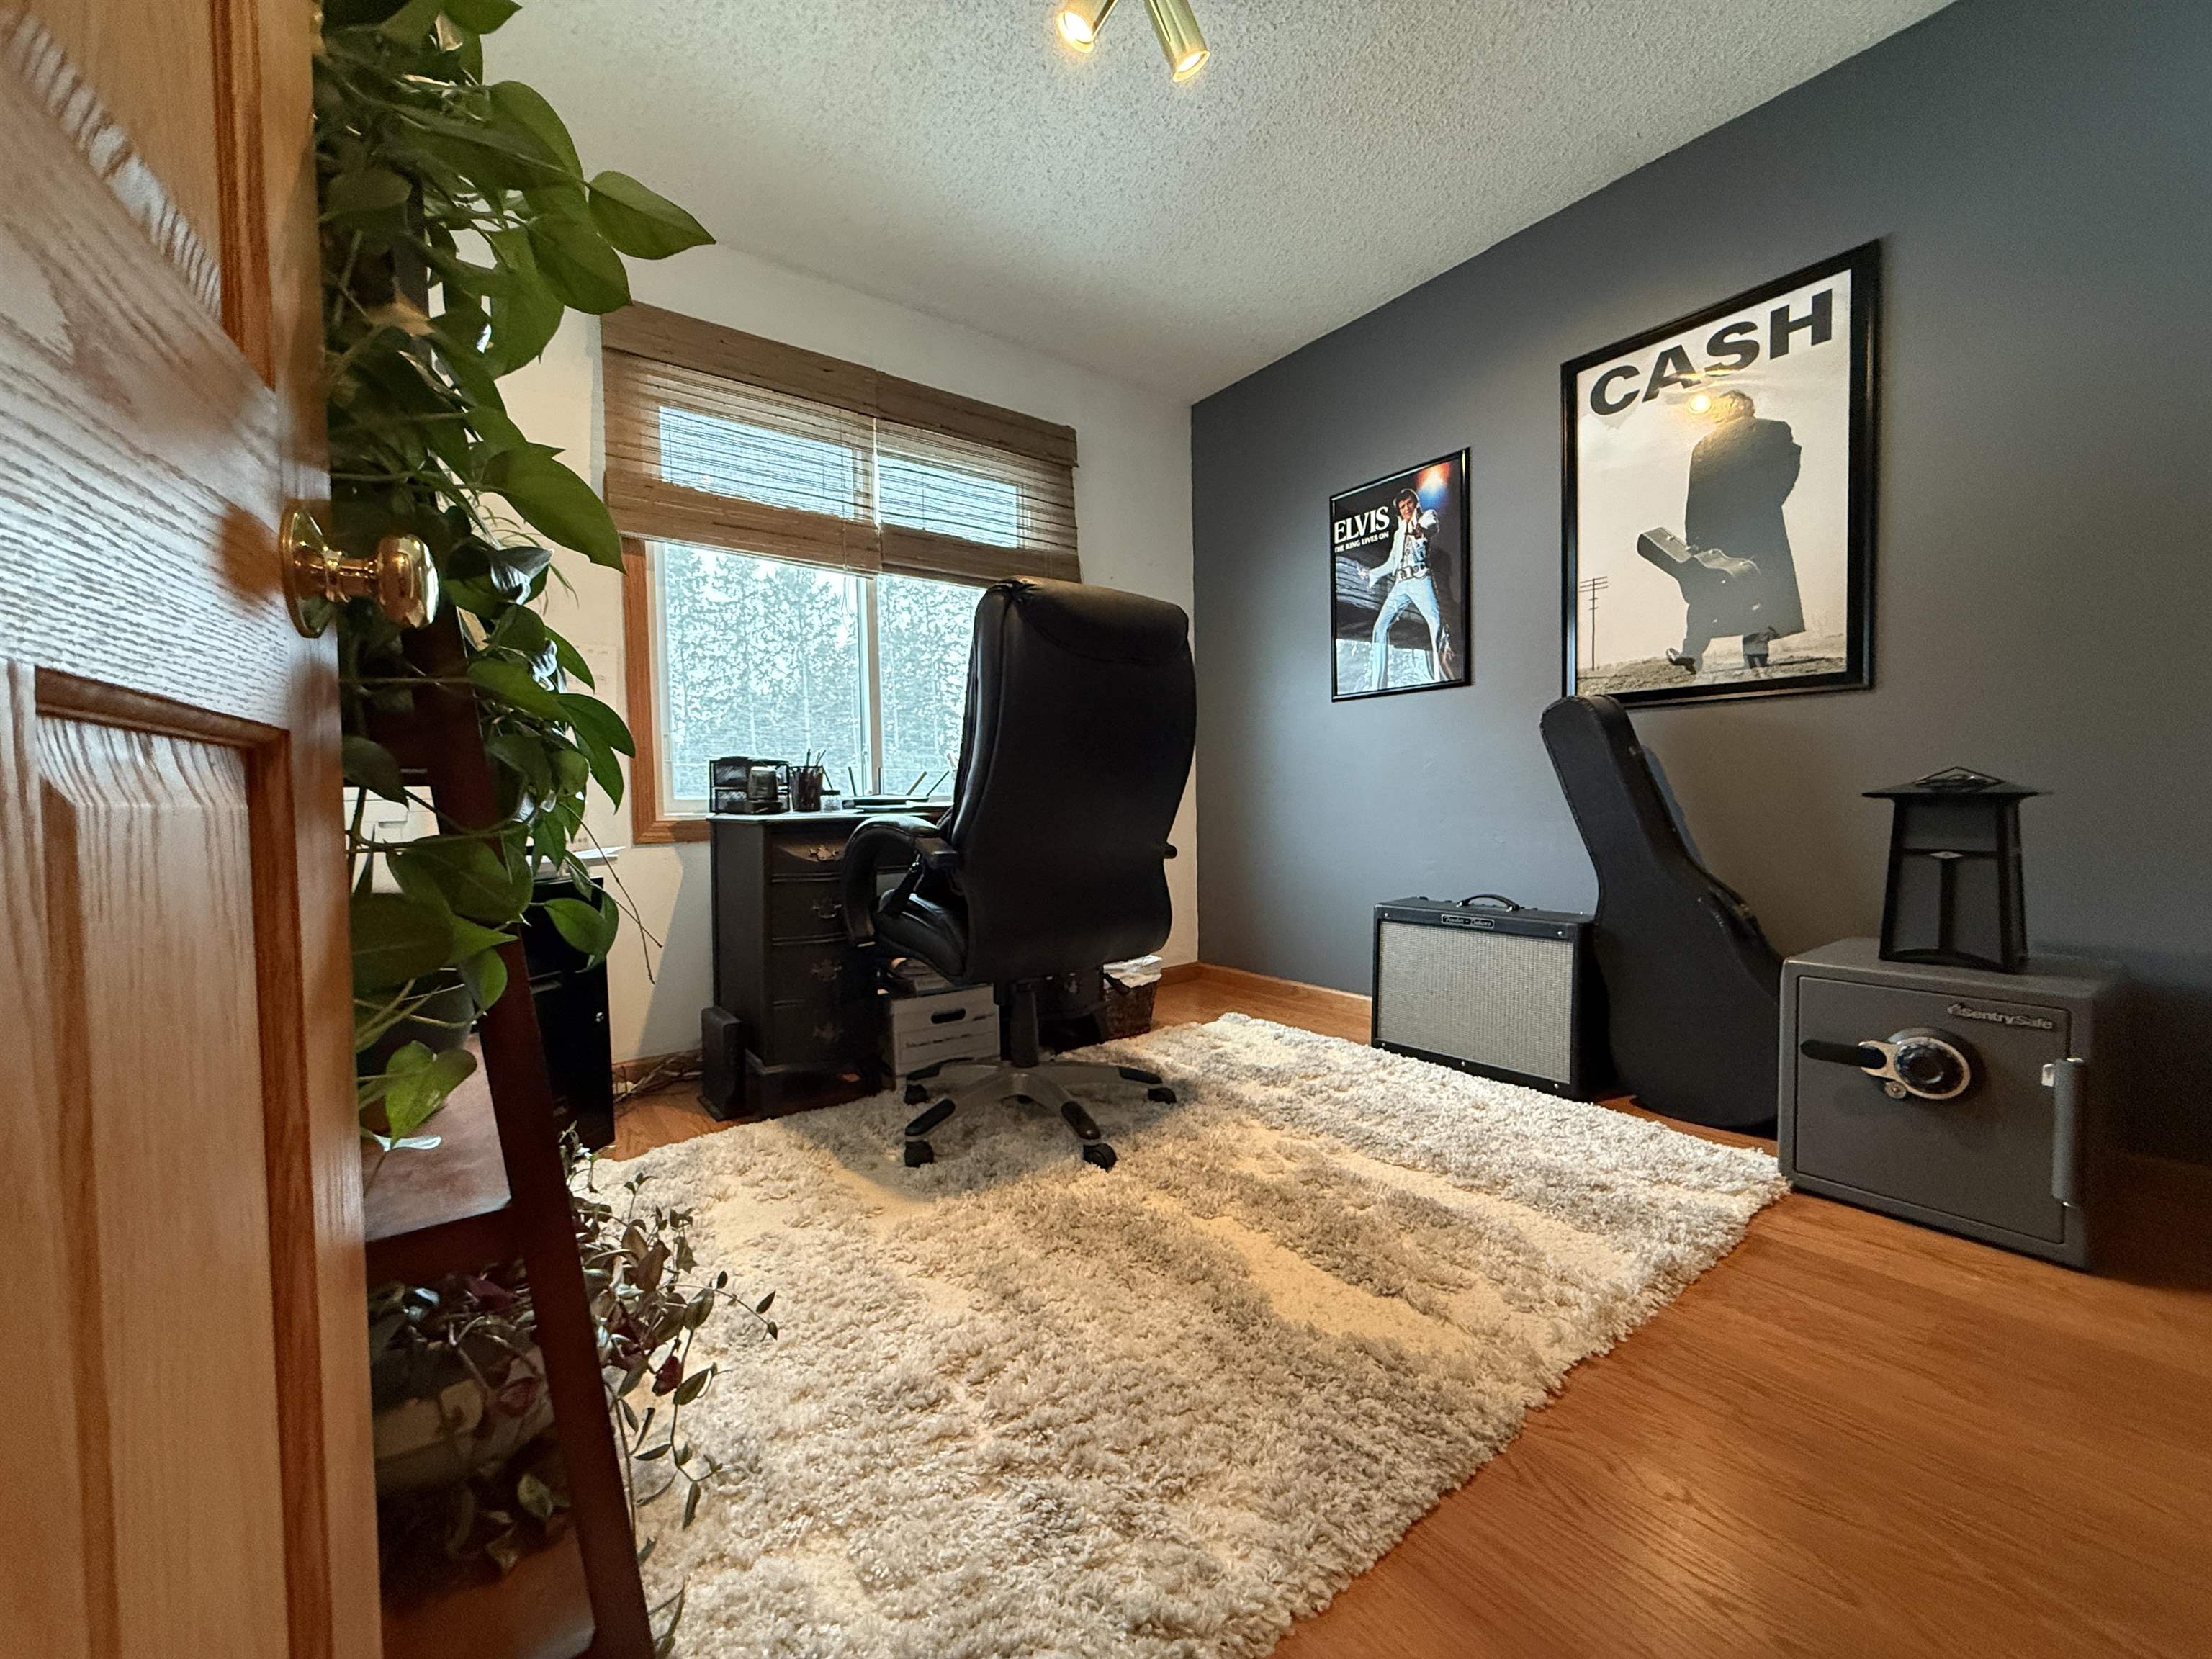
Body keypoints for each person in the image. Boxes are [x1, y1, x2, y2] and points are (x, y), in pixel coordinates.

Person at [1670, 390, 1802, 672]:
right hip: (1759, 526)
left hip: (1717, 532)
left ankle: (1691, 650)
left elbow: (1696, 497)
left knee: (1709, 586)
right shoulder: (1774, 430)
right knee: (1758, 586)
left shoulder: (1705, 445)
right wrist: (1768, 501)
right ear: (1747, 407)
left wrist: (1695, 540)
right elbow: (1789, 466)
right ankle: (1754, 659)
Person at [1365, 489, 1449, 688]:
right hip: (1400, 584)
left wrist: (1419, 531)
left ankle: (1444, 679)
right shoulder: (1398, 534)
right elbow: (1391, 563)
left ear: (1415, 503)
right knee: (1379, 627)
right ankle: (1378, 685)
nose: (1406, 509)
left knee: (1436, 623)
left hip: (1421, 579)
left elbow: (1430, 528)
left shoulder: (1427, 517)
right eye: (1402, 507)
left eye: (1409, 504)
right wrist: (1371, 574)